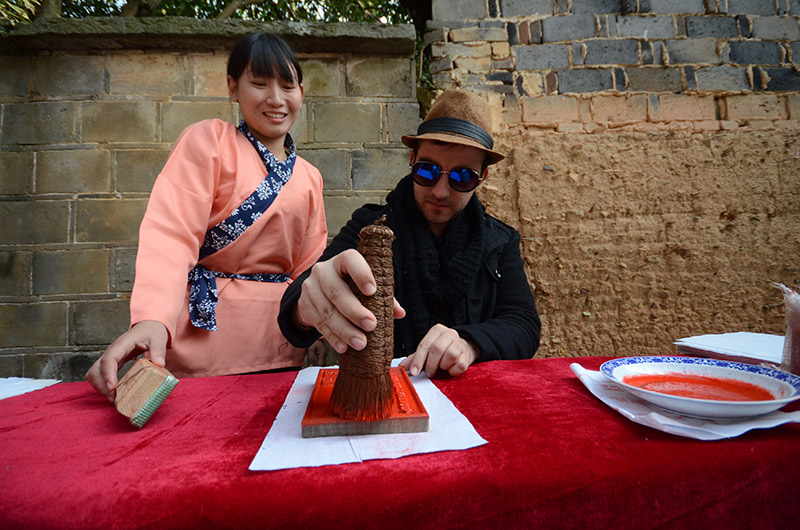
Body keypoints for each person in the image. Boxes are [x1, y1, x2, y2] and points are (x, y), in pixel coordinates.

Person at [87, 33, 328, 401]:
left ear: (301, 93)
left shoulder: (309, 177)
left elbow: (309, 268)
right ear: (233, 87)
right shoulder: (208, 141)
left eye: (288, 85)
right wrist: (153, 317)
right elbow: (171, 234)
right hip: (203, 339)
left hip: (280, 339)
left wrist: (315, 330)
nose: (276, 99)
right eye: (259, 83)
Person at [278, 89, 540, 378]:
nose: (440, 192)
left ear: (482, 178)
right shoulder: (371, 228)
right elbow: (296, 308)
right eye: (428, 171)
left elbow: (523, 324)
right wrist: (306, 307)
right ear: (412, 161)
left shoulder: (500, 241)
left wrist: (469, 342)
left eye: (462, 177)